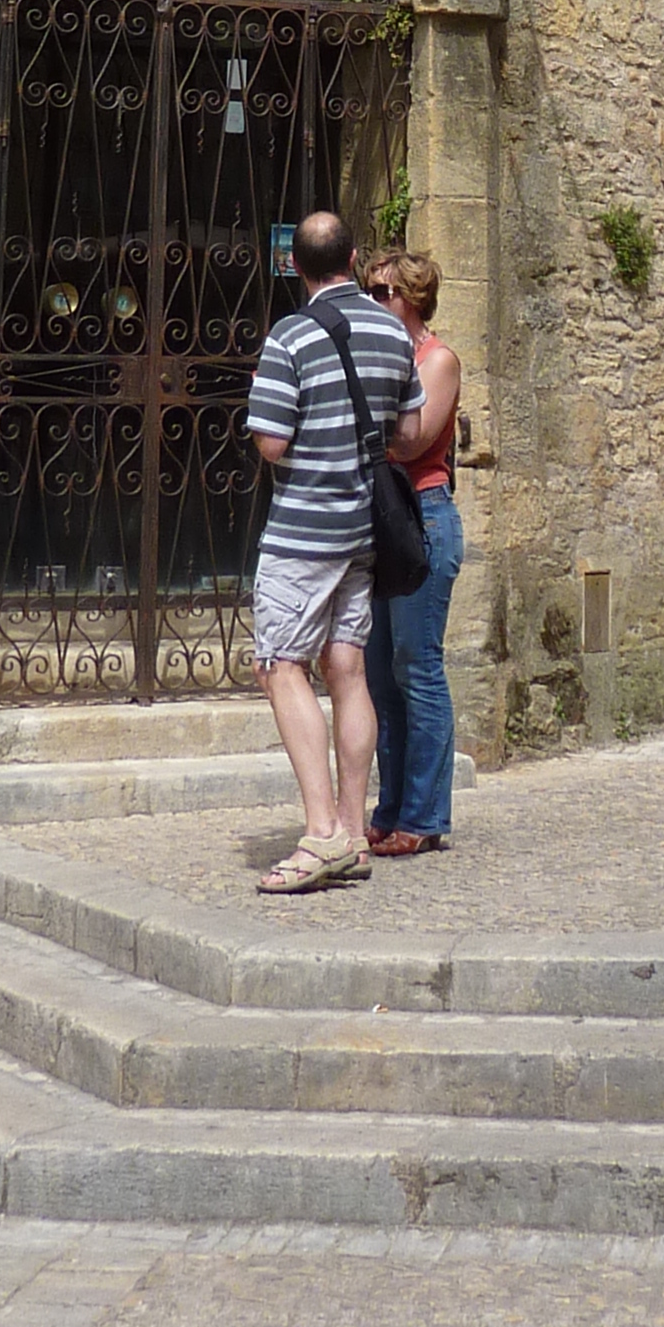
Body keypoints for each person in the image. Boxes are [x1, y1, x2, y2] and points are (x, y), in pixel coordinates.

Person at [244, 208, 423, 893]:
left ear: (295, 265)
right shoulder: (391, 331)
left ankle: (320, 834)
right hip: (360, 534)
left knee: (280, 665)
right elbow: (406, 432)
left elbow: (271, 442)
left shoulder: (289, 337)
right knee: (348, 669)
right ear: (351, 259)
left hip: (302, 533)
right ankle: (352, 828)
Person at [359, 244, 464, 857]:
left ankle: (424, 814)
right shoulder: (384, 356)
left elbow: (411, 439)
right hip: (383, 520)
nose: (372, 302)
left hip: (423, 517)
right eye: (368, 291)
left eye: (382, 293)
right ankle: (390, 805)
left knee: (416, 665)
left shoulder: (436, 359)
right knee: (377, 674)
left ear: (411, 299)